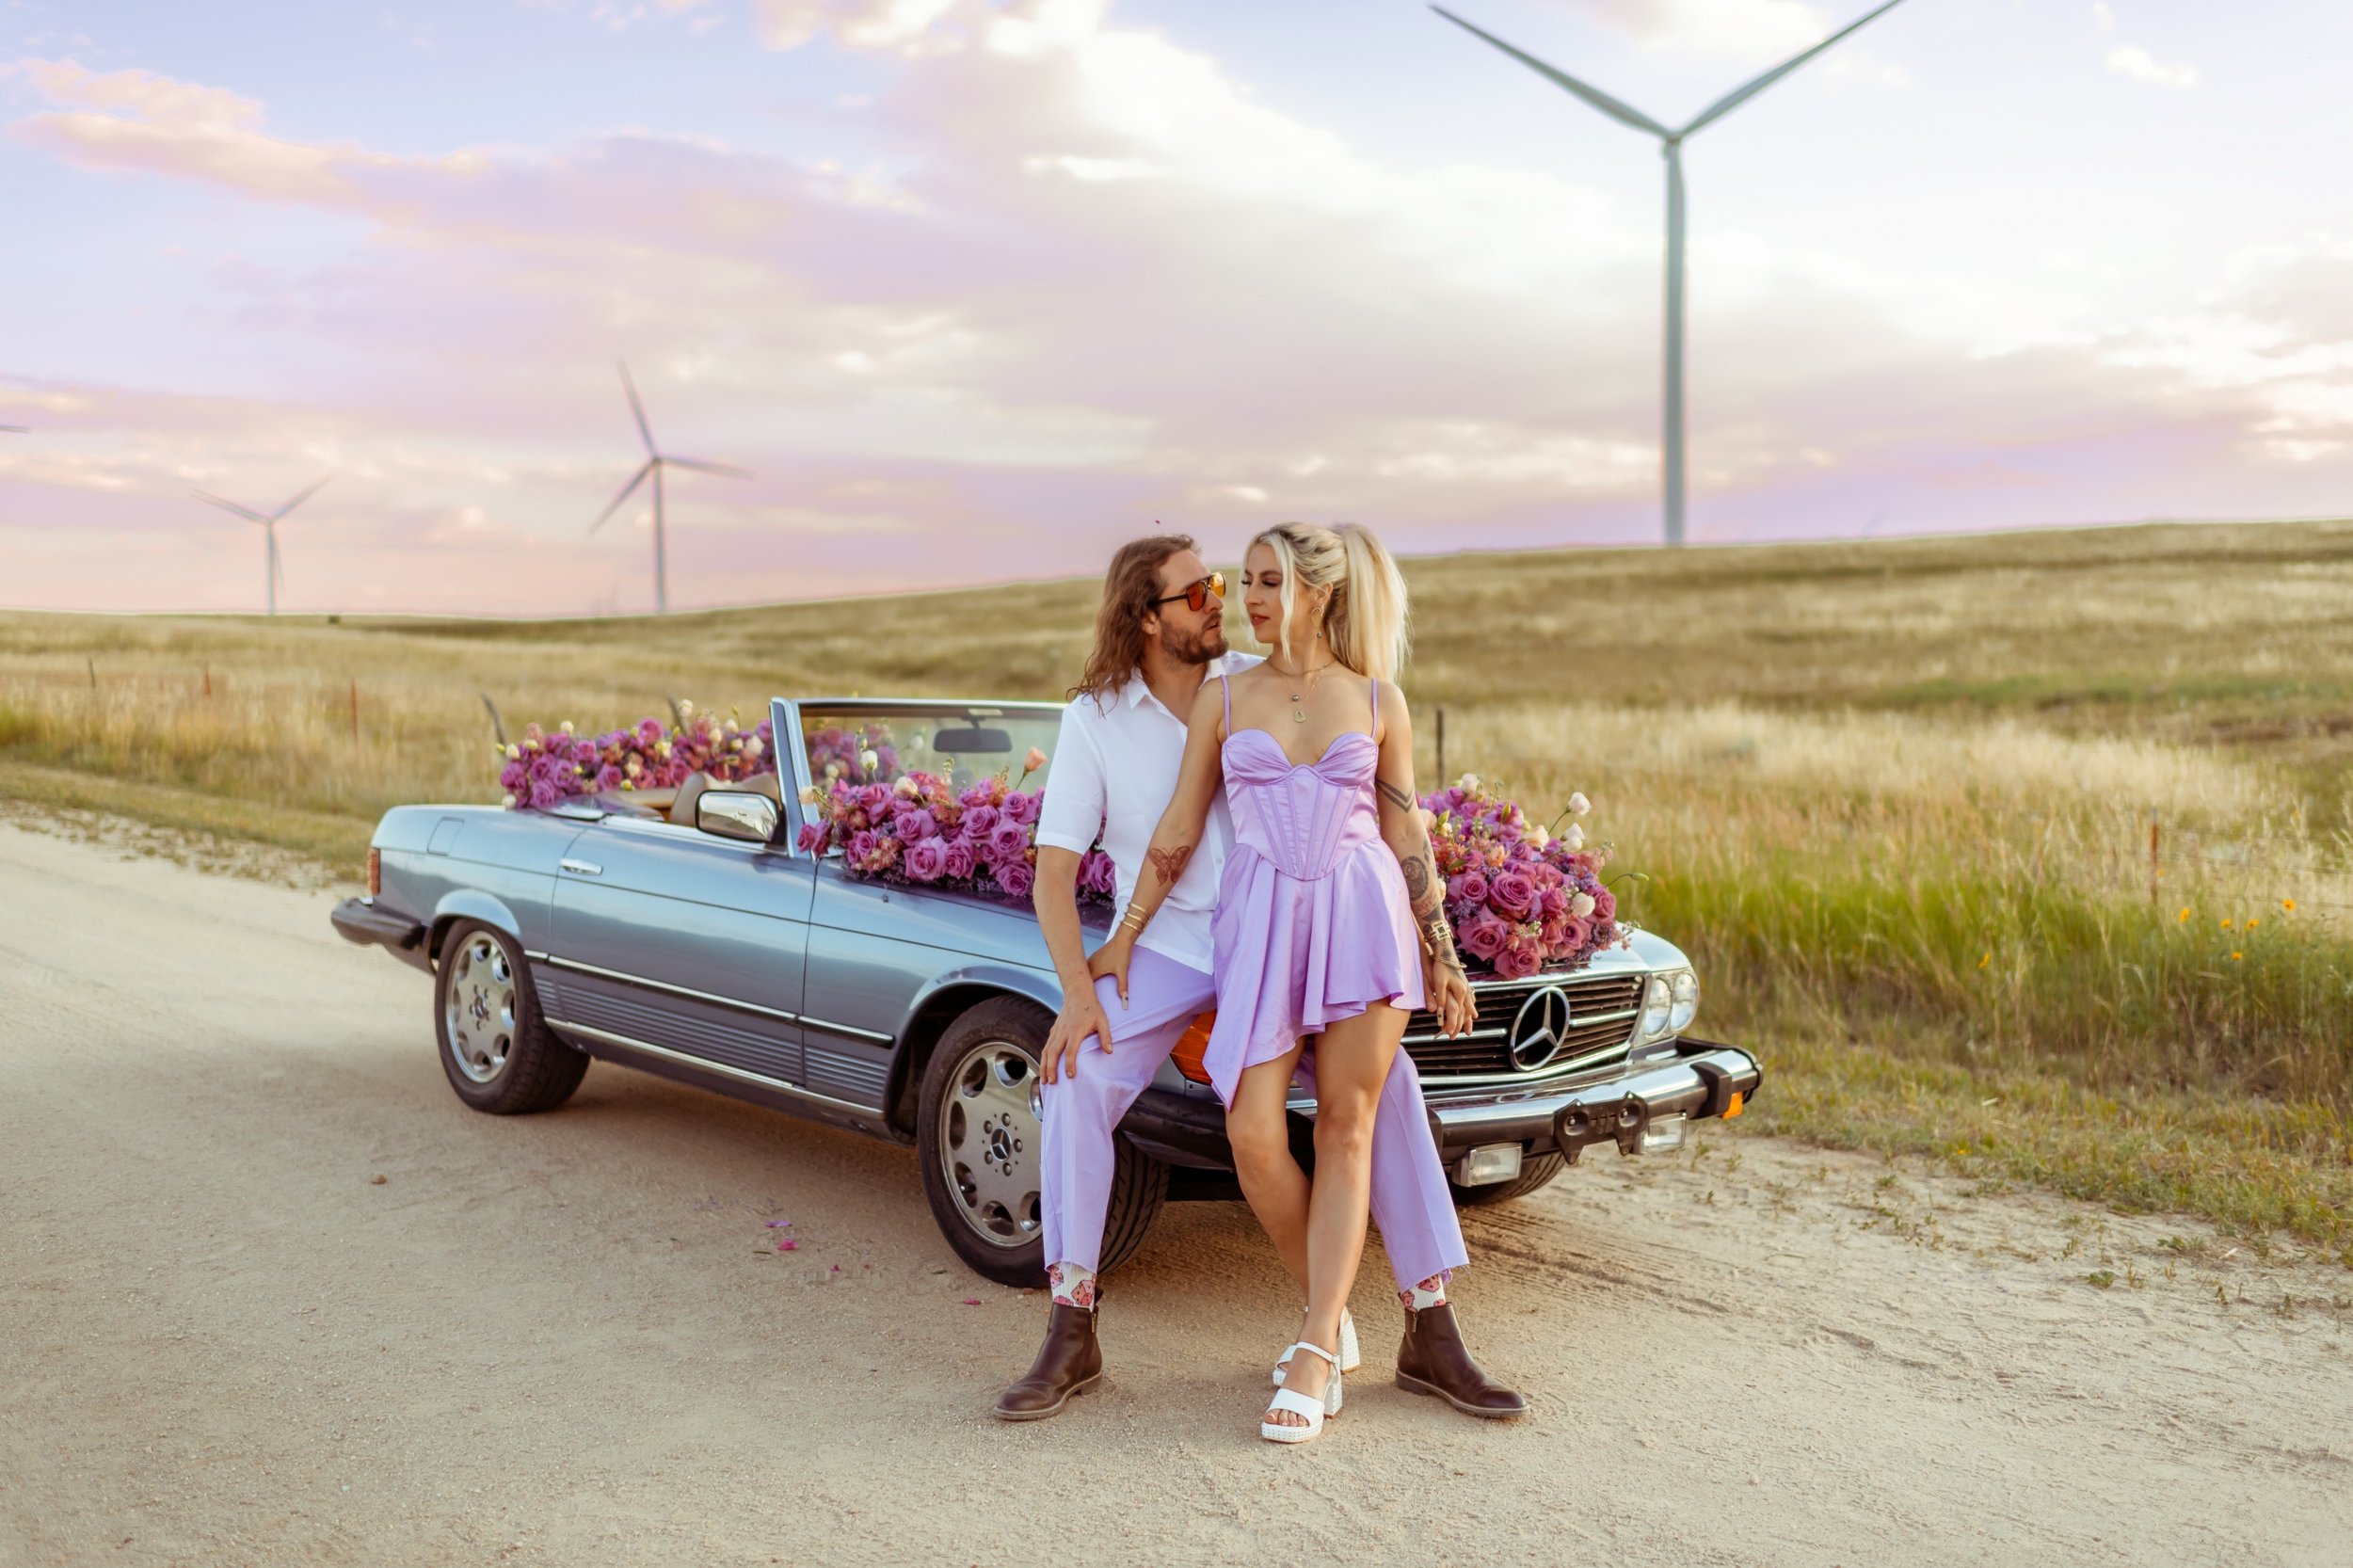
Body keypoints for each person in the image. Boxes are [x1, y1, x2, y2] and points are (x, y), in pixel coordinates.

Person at [993, 529, 1524, 1432]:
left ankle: (1427, 1327)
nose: (1223, 602)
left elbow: (1390, 817)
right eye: (1197, 594)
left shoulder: (1255, 671)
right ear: (1146, 619)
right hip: (1167, 949)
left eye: (1229, 586)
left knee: (1389, 1091)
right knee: (1077, 1078)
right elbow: (1074, 865)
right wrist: (1085, 984)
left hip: (1279, 941)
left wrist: (1438, 946)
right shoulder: (1098, 719)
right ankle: (1071, 1324)